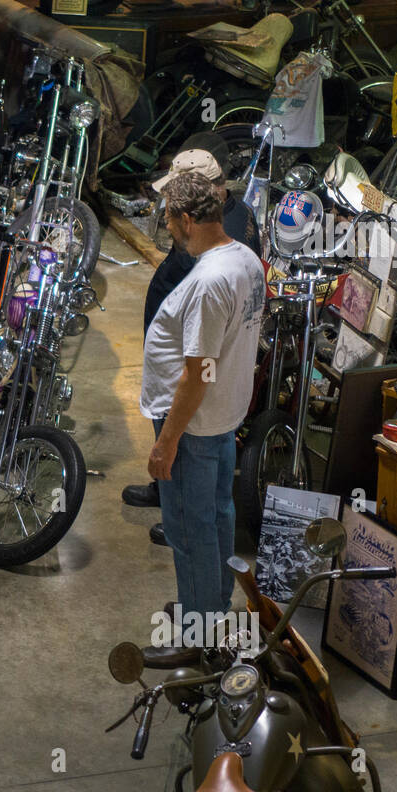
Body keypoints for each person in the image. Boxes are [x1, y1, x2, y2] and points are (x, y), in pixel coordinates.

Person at [139, 171, 264, 617]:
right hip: (222, 417)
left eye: (170, 220)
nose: (168, 229)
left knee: (190, 530)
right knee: (217, 515)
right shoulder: (246, 259)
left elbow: (198, 372)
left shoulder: (209, 282)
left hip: (194, 424)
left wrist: (166, 441)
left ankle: (199, 633)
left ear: (188, 219)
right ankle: (211, 603)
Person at [122, 136, 261, 536]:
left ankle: (178, 509)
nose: (166, 219)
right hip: (209, 395)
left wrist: (166, 443)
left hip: (196, 402)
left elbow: (199, 367)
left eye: (171, 210)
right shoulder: (234, 225)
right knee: (210, 507)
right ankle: (170, 491)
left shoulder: (212, 255)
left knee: (193, 517)